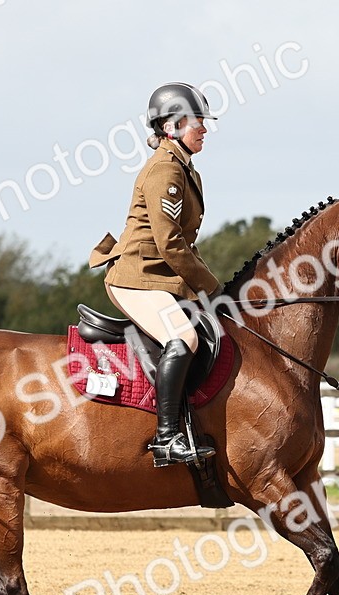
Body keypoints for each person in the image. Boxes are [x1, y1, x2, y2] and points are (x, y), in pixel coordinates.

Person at [88, 82, 221, 467]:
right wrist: (211, 288)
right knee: (183, 335)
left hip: (159, 277)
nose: (205, 129)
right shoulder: (165, 169)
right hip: (137, 277)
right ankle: (166, 439)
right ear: (173, 126)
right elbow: (170, 245)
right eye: (199, 122)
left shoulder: (181, 165)